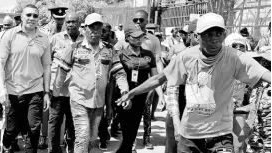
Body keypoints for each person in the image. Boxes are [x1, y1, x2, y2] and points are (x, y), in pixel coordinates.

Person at [116, 12, 271, 153]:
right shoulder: (186, 57)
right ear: (198, 36)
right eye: (208, 34)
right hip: (190, 134)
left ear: (224, 35)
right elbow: (159, 78)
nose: (214, 38)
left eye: (218, 33)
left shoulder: (235, 58)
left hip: (220, 134)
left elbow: (264, 74)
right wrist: (131, 93)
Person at [53, 13, 129, 153]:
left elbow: (119, 73)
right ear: (84, 29)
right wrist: (55, 93)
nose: (94, 31)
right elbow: (61, 71)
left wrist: (125, 91)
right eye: (91, 28)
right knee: (82, 135)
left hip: (98, 103)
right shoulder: (74, 48)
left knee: (91, 138)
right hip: (79, 99)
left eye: (98, 28)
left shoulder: (109, 50)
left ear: (102, 30)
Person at [0, 4, 51, 153]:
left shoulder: (44, 39)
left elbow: (46, 67)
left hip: (36, 89)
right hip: (13, 91)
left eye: (35, 15)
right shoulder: (9, 35)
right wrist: (2, 90)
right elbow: (0, 63)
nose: (32, 18)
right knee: (12, 129)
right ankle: (7, 144)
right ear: (21, 17)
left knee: (34, 127)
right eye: (28, 15)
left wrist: (46, 92)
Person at [114, 9, 165, 149]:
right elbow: (113, 78)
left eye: (141, 36)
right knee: (127, 132)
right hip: (124, 96)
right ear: (127, 38)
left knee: (132, 133)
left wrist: (161, 95)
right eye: (135, 36)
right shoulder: (120, 55)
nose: (138, 39)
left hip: (141, 96)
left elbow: (155, 77)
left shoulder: (148, 54)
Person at [48, 12, 84, 153]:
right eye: (68, 22)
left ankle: (71, 148)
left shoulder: (85, 39)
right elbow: (46, 62)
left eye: (73, 21)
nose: (70, 24)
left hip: (77, 91)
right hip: (57, 89)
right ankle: (54, 150)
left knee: (73, 124)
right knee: (54, 123)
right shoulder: (55, 39)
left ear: (79, 23)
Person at [164, 19, 199, 153]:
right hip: (179, 111)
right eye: (197, 34)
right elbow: (172, 90)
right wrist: (176, 122)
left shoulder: (215, 58)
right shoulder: (181, 57)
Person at [38, 5, 68, 150]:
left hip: (64, 79)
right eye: (57, 18)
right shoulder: (43, 31)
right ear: (52, 17)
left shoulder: (67, 31)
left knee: (60, 114)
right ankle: (43, 137)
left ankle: (60, 140)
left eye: (62, 18)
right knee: (45, 109)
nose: (60, 21)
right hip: (46, 74)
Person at [98, 22, 118, 150]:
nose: (102, 33)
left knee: (105, 114)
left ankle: (103, 137)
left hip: (107, 86)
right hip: (92, 87)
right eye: (100, 30)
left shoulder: (111, 48)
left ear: (109, 33)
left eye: (104, 31)